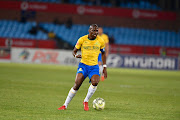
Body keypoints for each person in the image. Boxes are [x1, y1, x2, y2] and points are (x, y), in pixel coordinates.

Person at [58, 24, 107, 111]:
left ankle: (86, 101)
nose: (96, 32)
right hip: (83, 65)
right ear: (89, 30)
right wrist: (76, 55)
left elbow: (103, 53)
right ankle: (65, 105)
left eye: (97, 31)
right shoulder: (82, 39)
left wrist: (104, 67)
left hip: (94, 66)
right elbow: (74, 51)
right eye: (94, 30)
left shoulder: (101, 41)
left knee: (95, 82)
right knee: (77, 84)